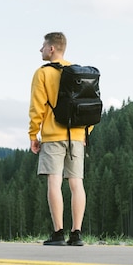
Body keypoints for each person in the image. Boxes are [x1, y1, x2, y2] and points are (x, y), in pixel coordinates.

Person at [28, 32, 87, 246]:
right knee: (76, 183)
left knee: (54, 182)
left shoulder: (42, 73)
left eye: (43, 45)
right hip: (77, 135)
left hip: (53, 135)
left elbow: (38, 107)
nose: (41, 49)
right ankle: (77, 234)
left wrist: (33, 134)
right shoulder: (79, 72)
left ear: (52, 48)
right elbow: (87, 102)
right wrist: (85, 132)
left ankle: (58, 233)